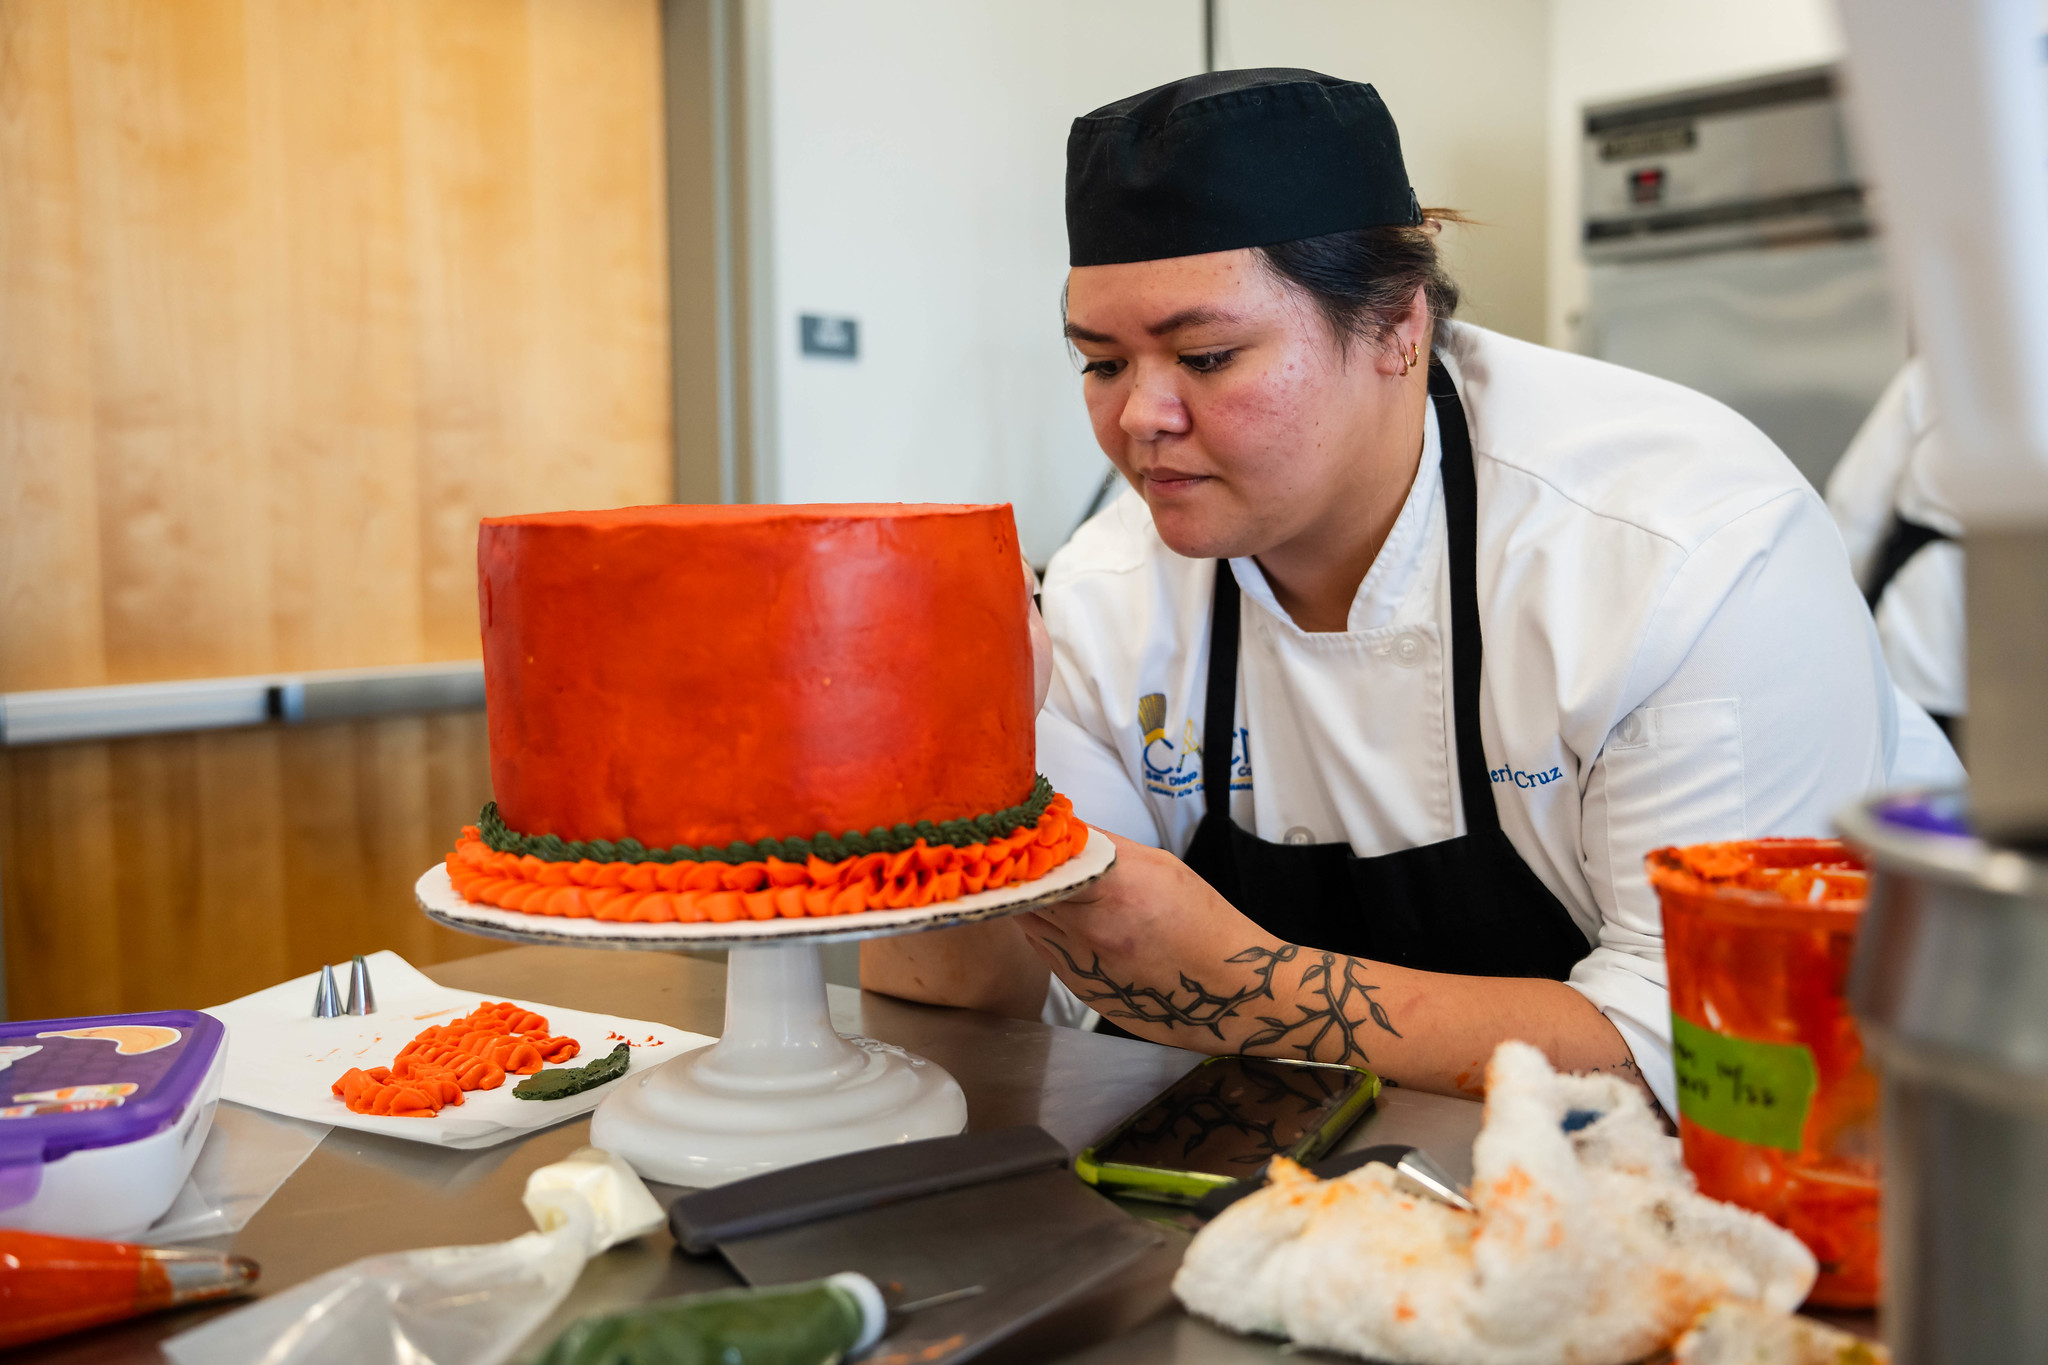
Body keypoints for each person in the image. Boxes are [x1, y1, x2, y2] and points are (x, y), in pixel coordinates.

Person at [861, 69, 1961, 1116]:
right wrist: (954, 755)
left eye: (1203, 358)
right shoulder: (1111, 595)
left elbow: (1719, 1052)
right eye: (1101, 364)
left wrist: (1242, 981)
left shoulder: (1671, 550)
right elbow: (1001, 1001)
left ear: (1397, 326)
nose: (1139, 417)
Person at [1825, 358, 1965, 742]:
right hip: (1932, 623)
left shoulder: (1943, 367)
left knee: (1918, 780)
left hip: (1923, 634)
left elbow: (1854, 508)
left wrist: (1836, 632)